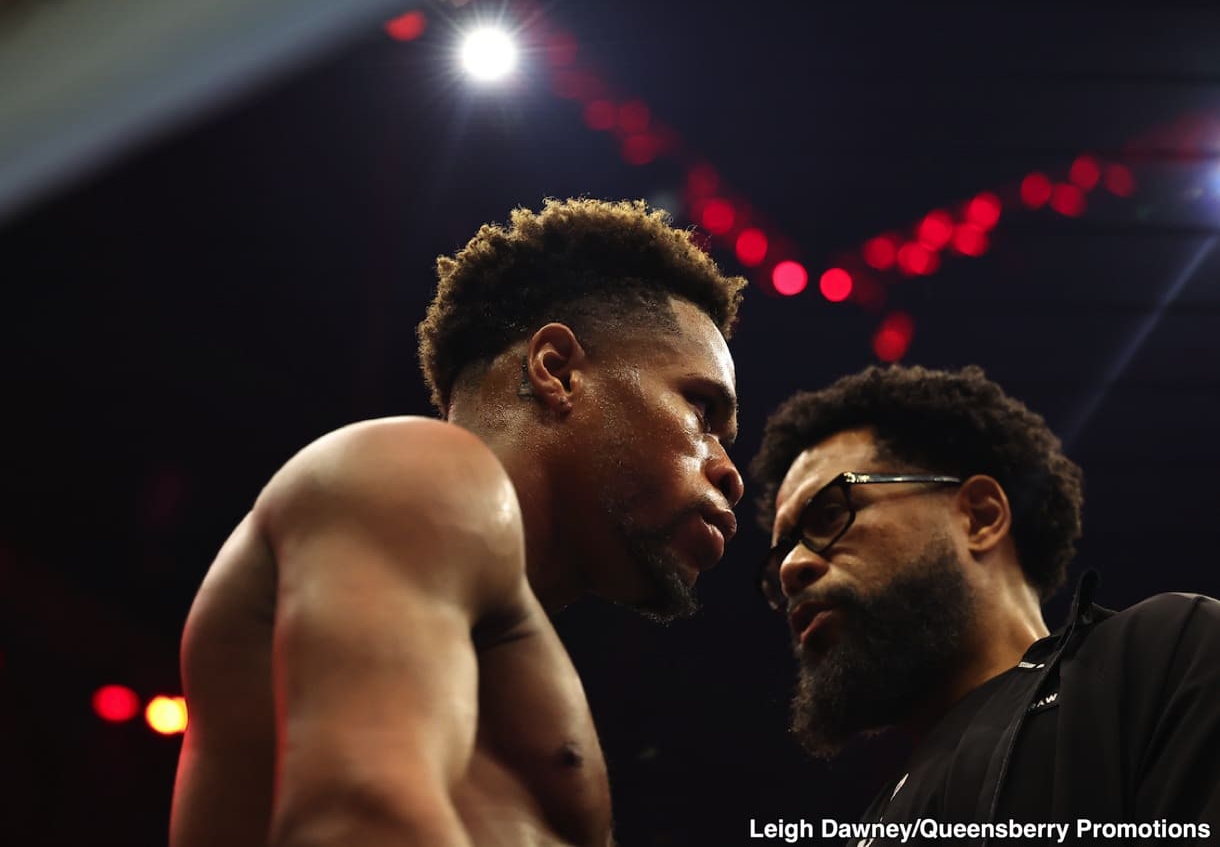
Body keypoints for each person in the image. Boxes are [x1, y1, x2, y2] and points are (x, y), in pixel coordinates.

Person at [169, 198, 746, 847]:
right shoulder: (410, 468)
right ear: (557, 371)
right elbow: (358, 819)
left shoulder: (509, 647)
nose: (730, 472)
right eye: (702, 411)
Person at [751, 364, 1219, 840]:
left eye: (830, 515)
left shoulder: (1162, 656)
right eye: (780, 555)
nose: (791, 568)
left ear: (980, 517)